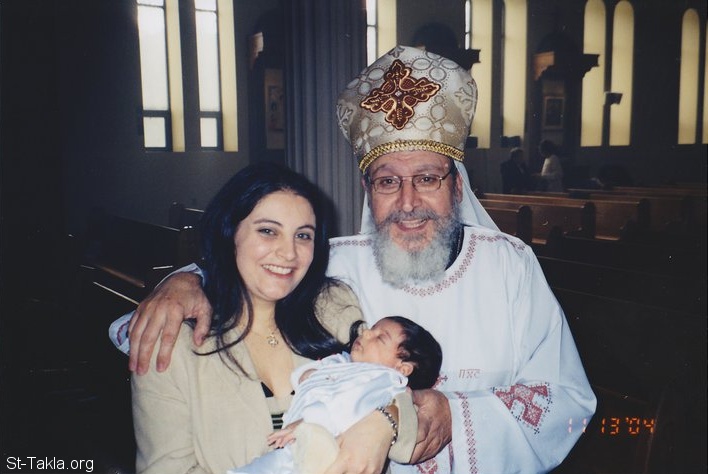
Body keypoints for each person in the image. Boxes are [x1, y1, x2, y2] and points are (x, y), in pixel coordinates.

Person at [113, 45, 596, 473]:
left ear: (456, 185)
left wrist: (454, 415)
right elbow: (260, 269)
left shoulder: (510, 267)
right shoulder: (337, 267)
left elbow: (567, 401)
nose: (408, 202)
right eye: (388, 181)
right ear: (368, 190)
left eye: (427, 178)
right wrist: (183, 282)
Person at [126, 162, 409, 474]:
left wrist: (385, 422)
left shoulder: (334, 306)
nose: (289, 253)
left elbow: (395, 385)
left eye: (303, 235)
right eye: (268, 231)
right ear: (229, 233)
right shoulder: (172, 343)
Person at [229, 316, 443, 474]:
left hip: (327, 448)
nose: (365, 334)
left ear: (402, 368)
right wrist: (309, 374)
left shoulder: (384, 381)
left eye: (380, 338)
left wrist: (307, 421)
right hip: (300, 443)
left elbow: (349, 407)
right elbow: (312, 373)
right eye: (370, 329)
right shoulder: (345, 363)